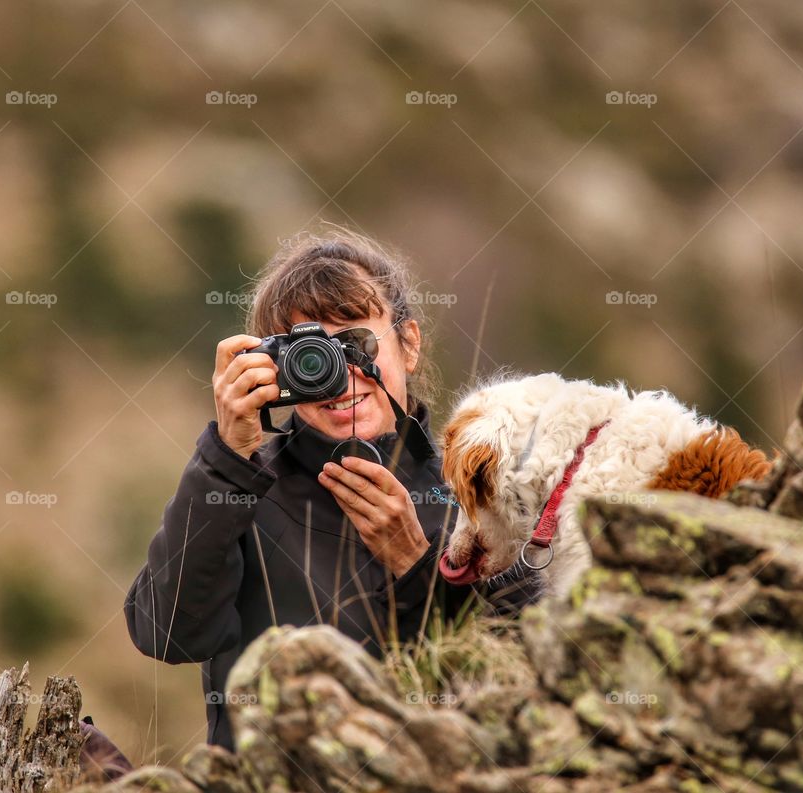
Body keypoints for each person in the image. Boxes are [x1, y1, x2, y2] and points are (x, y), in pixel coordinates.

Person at [124, 229, 537, 749]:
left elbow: (530, 679)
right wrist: (228, 458)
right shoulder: (242, 488)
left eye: (357, 344)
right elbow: (167, 634)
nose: (339, 377)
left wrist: (418, 566)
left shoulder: (482, 497)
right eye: (309, 353)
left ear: (409, 345)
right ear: (271, 366)